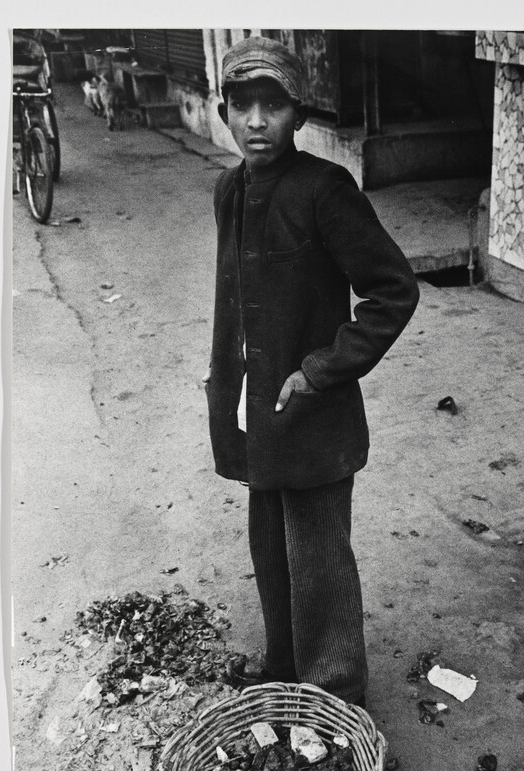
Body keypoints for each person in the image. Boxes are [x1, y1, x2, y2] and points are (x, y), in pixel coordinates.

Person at [204, 36, 419, 707]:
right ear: (224, 112)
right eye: (243, 105)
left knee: (318, 559)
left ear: (299, 114)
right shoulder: (230, 190)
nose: (257, 121)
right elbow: (233, 299)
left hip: (312, 409)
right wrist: (226, 389)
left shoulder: (324, 191)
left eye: (273, 105)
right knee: (270, 546)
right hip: (256, 407)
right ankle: (282, 664)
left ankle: (334, 696)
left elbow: (392, 289)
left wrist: (320, 369)